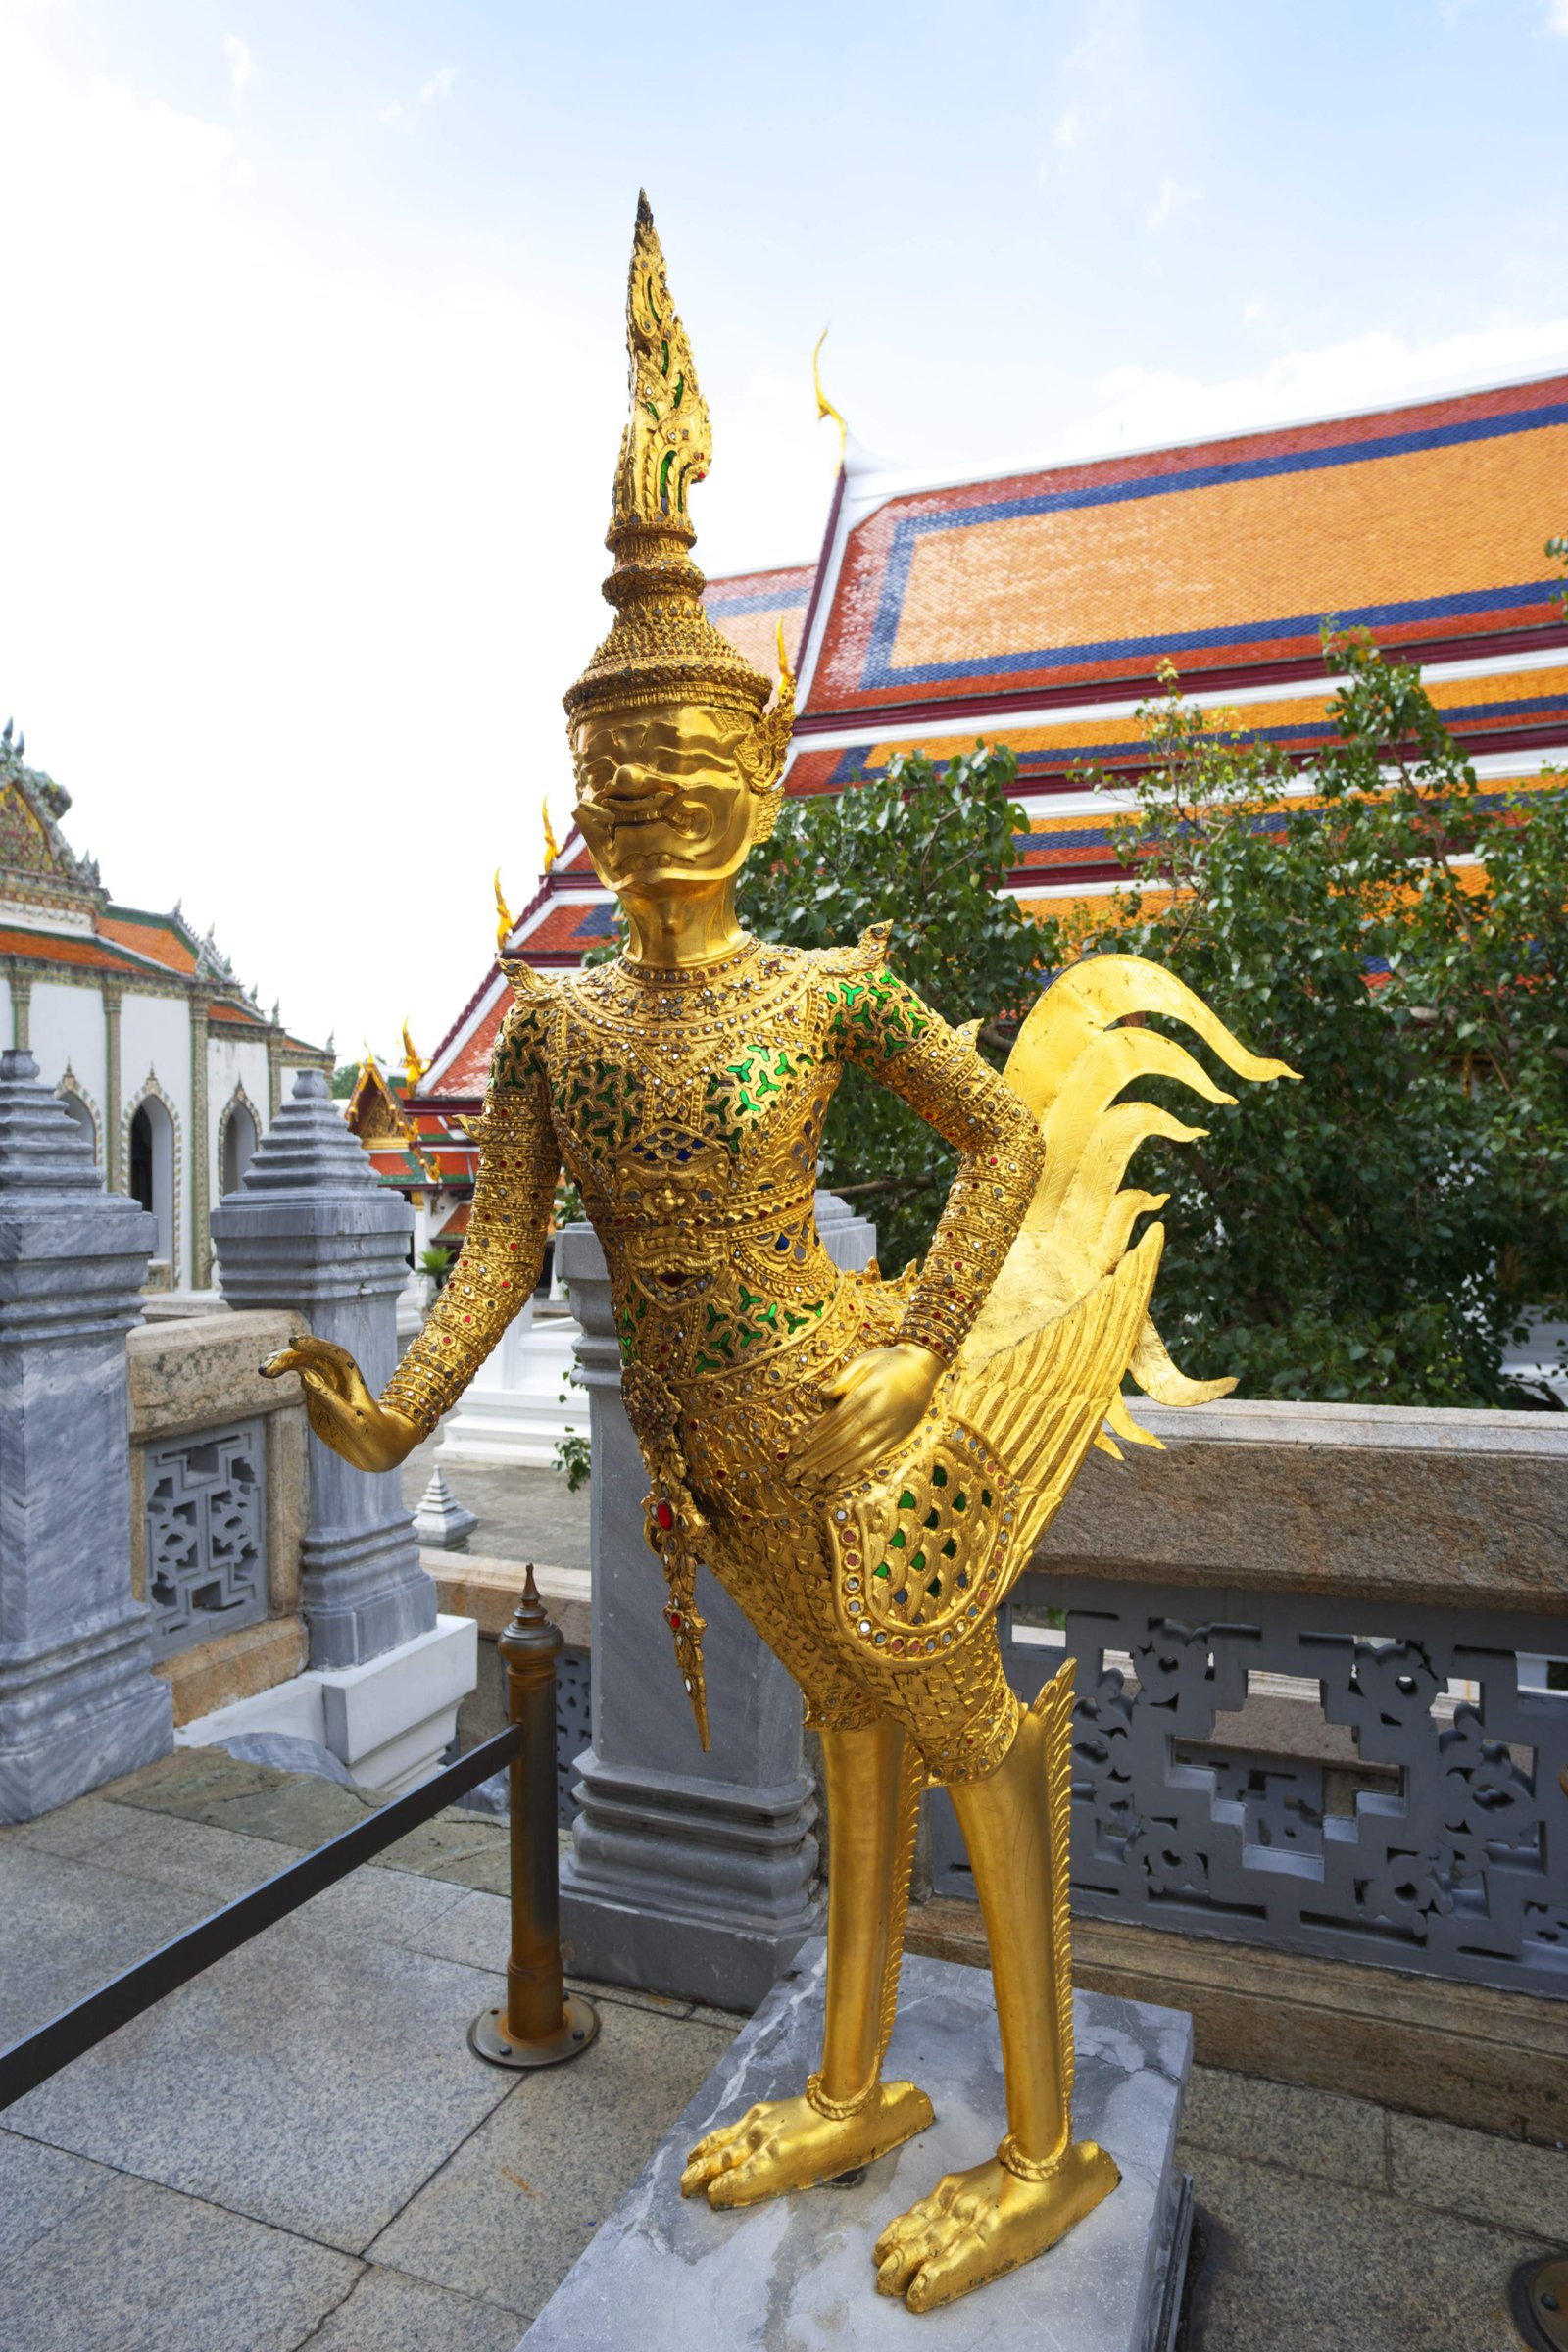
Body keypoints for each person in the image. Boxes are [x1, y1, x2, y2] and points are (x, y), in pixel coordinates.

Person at [264, 194, 1292, 2313]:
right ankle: (849, 2080)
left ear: (754, 771)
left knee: (967, 1745)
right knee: (839, 1747)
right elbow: (491, 1250)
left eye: (685, 753)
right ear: (579, 789)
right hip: (723, 1480)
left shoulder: (824, 989)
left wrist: (924, 1336)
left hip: (861, 1446)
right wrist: (394, 1416)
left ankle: (1036, 2144)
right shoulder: (549, 1026)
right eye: (613, 762)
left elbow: (1004, 1134)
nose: (649, 788)